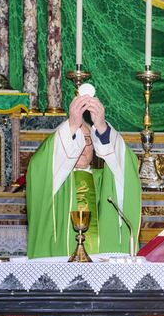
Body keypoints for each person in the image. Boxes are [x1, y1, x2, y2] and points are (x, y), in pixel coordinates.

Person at [25, 94, 141, 258]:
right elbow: (39, 165)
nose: (81, 146)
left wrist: (101, 127)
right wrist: (72, 124)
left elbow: (124, 167)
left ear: (95, 148)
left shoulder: (104, 182)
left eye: (86, 140)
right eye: (75, 138)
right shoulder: (52, 181)